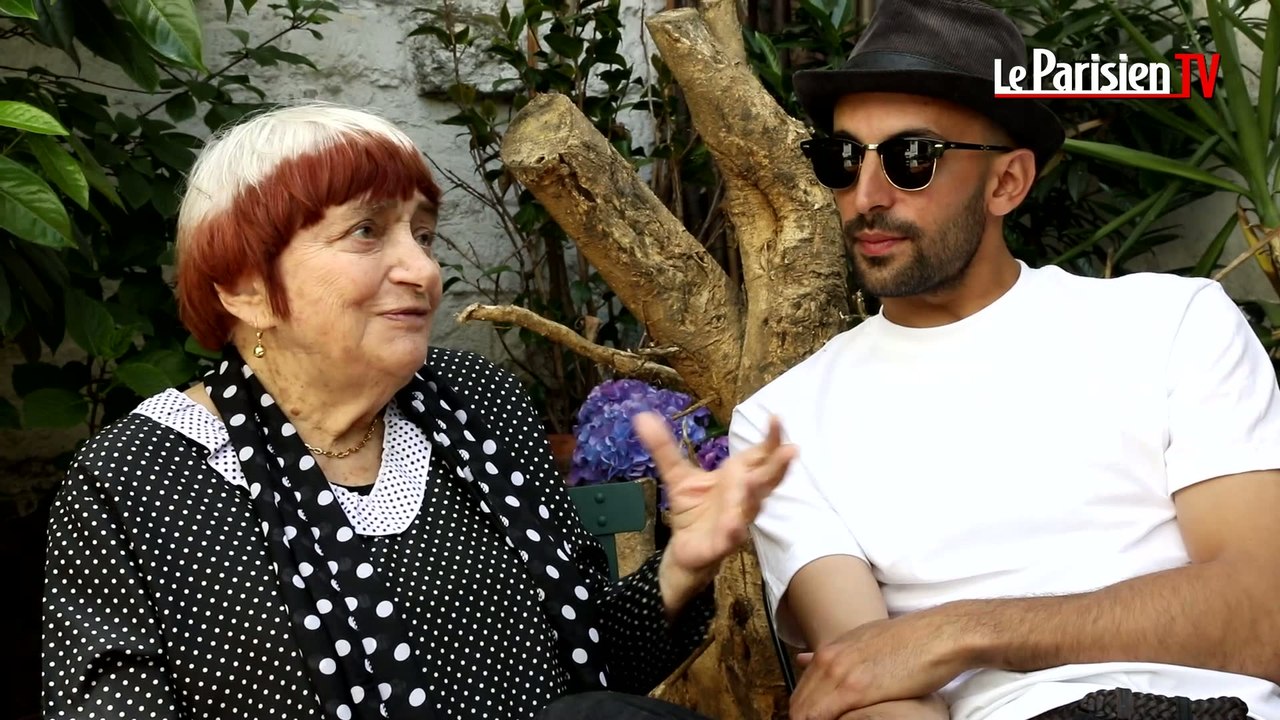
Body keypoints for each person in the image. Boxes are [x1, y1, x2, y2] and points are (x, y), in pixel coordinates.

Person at [41, 101, 794, 720]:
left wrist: (684, 564)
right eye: (366, 231)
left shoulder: (478, 406)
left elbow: (594, 665)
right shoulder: (135, 481)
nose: (423, 269)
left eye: (423, 234)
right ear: (241, 287)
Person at [729, 1, 1280, 719]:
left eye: (912, 158)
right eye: (842, 159)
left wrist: (959, 632)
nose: (866, 197)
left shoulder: (1172, 325)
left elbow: (1264, 614)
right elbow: (865, 684)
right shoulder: (782, 422)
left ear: (1007, 183)